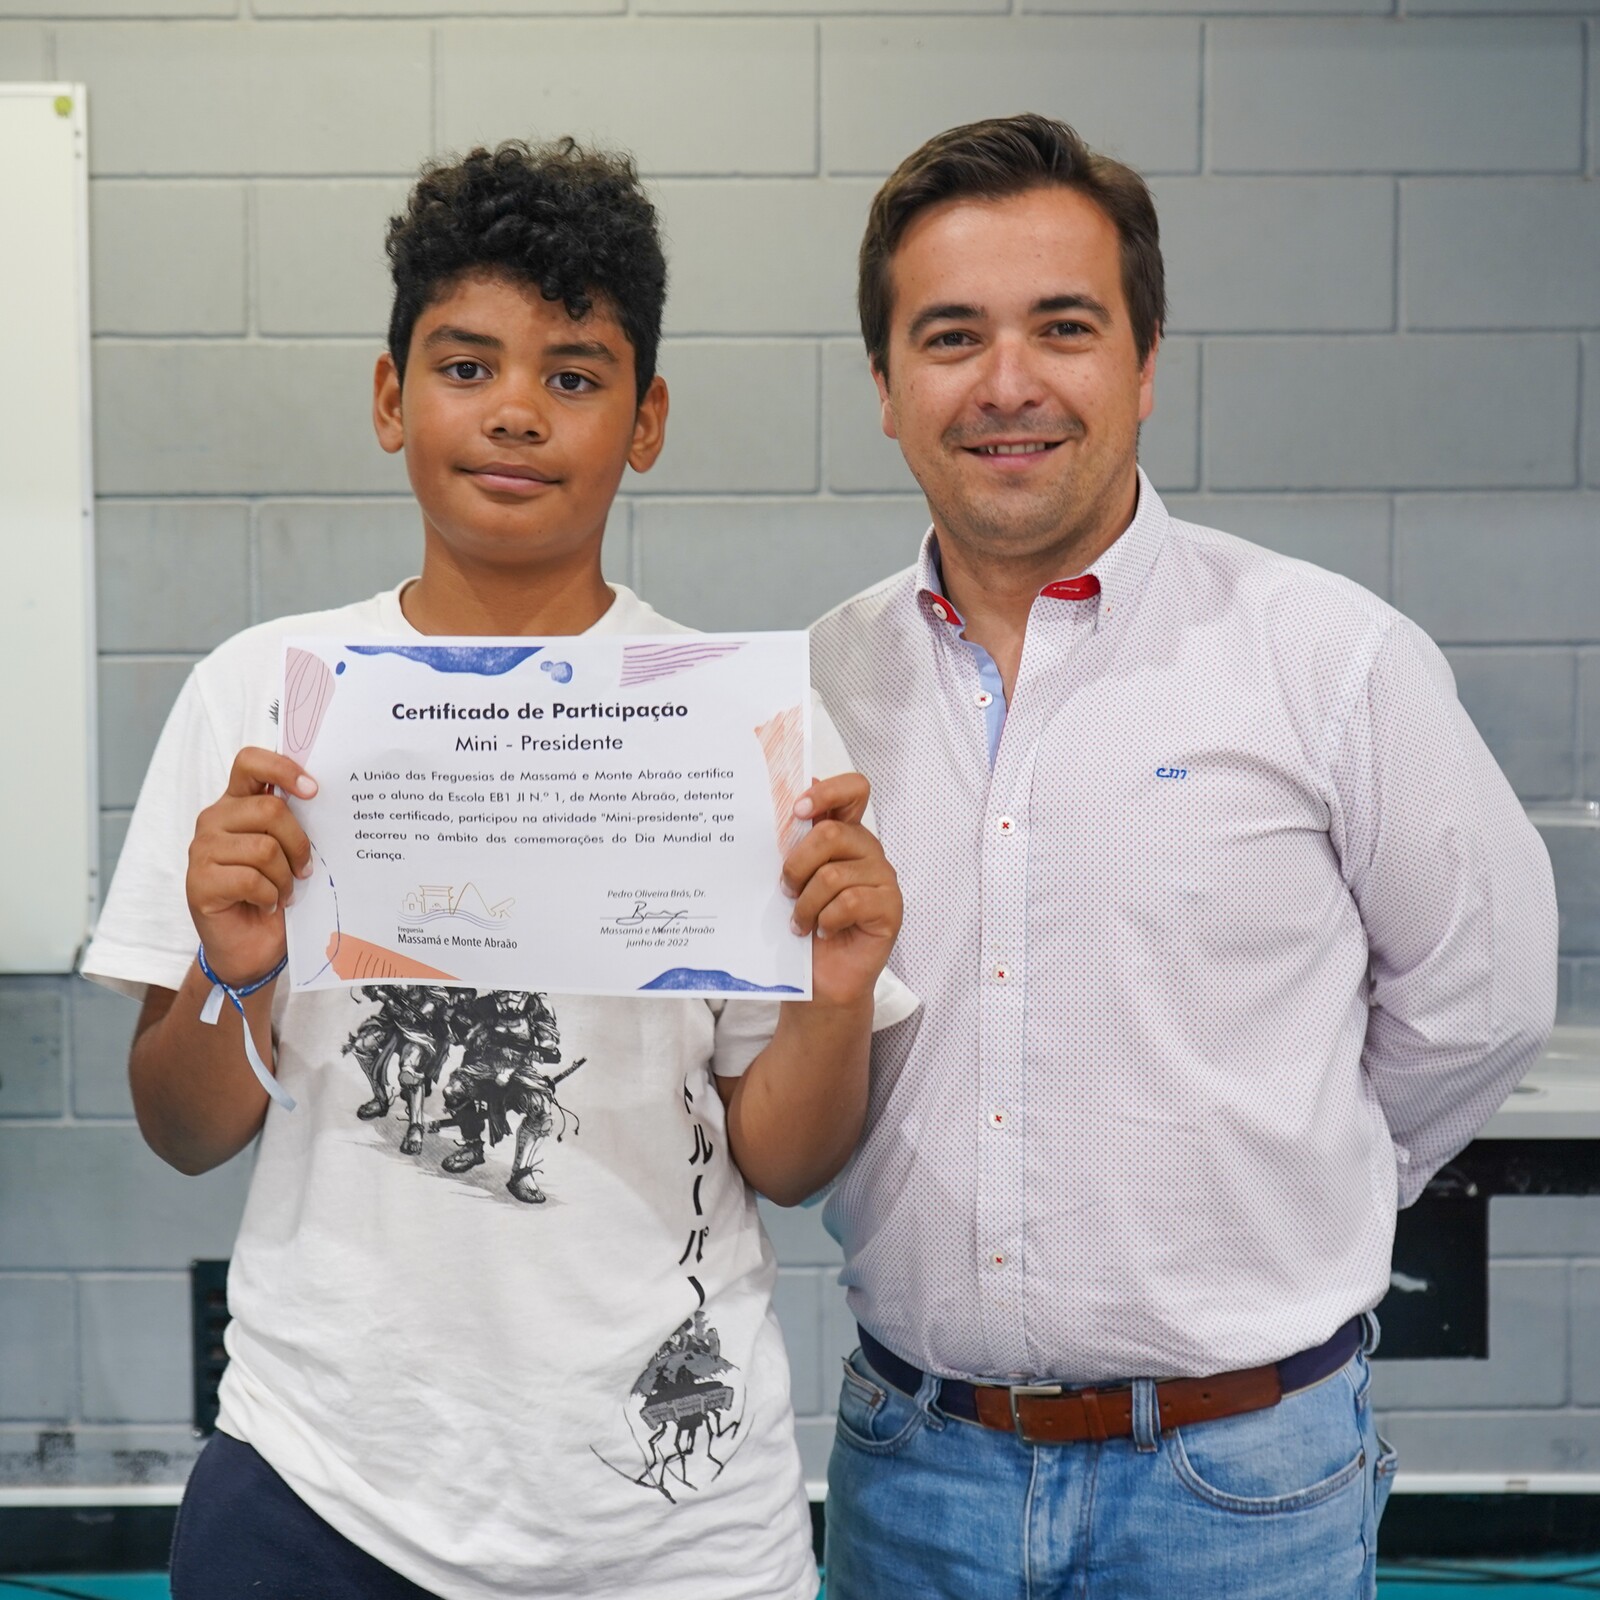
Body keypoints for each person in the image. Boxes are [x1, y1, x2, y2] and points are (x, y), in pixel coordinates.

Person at [82, 137, 913, 1599]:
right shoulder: (263, 693)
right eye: (466, 367)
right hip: (322, 1485)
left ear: (647, 421)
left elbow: (784, 1163)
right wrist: (236, 968)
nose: (517, 411)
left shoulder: (746, 722)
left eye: (575, 376)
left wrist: (837, 995)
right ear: (390, 395)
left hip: (667, 1527)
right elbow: (183, 1129)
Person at [810, 113, 1558, 1600]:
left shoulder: (1327, 660)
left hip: (1241, 1487)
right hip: (913, 1470)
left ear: (1145, 363)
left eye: (1064, 328)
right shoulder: (827, 685)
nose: (1007, 383)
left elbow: (1483, 1005)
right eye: (951, 336)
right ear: (885, 388)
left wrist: (1294, 1183)